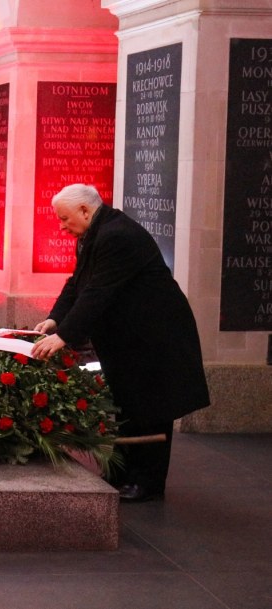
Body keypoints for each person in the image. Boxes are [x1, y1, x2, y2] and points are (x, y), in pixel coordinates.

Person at [30, 184, 210, 503]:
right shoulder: (95, 232)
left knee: (151, 407)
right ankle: (123, 472)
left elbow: (99, 292)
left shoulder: (116, 236)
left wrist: (63, 337)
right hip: (130, 337)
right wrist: (56, 319)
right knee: (127, 404)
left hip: (154, 335)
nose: (61, 226)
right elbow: (78, 283)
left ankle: (148, 483)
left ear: (85, 211)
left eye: (64, 218)